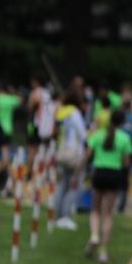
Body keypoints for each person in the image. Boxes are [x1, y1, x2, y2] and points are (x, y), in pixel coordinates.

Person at [82, 109, 132, 264]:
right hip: (114, 174)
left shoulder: (98, 135)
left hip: (99, 172)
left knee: (95, 209)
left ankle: (94, 235)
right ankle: (103, 251)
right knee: (108, 214)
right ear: (122, 122)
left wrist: (79, 170)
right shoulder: (125, 138)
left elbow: (88, 155)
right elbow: (126, 162)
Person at [55, 90, 88, 227]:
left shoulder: (61, 112)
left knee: (62, 185)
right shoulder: (75, 113)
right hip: (74, 153)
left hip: (61, 151)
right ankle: (66, 216)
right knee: (75, 186)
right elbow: (82, 135)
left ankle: (57, 215)